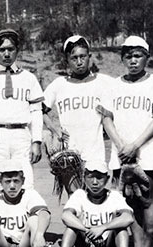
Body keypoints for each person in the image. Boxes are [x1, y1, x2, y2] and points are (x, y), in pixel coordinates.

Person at [108, 36, 153, 247]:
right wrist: (122, 145)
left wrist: (135, 145)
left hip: (147, 149)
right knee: (125, 198)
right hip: (120, 150)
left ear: (146, 57)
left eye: (138, 56)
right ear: (122, 58)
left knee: (145, 199)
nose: (133, 61)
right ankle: (135, 244)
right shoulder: (114, 84)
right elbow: (107, 119)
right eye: (128, 56)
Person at [43, 35, 120, 195]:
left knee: (94, 199)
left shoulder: (103, 81)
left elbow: (126, 95)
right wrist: (55, 131)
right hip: (68, 153)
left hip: (94, 152)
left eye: (82, 56)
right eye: (74, 58)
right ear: (67, 60)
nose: (79, 62)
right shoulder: (59, 84)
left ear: (89, 57)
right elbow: (39, 110)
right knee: (75, 198)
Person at [0, 29, 44, 196]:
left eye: (10, 49)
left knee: (25, 181)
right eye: (1, 50)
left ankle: (23, 219)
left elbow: (36, 111)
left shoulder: (28, 78)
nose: (6, 54)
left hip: (21, 136)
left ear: (17, 50)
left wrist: (37, 141)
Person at [52, 161, 136, 247]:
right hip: (85, 244)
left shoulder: (114, 195)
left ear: (107, 179)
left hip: (108, 245)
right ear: (84, 178)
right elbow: (66, 215)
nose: (95, 182)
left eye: (100, 178)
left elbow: (128, 218)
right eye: (90, 177)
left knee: (121, 229)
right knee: (71, 228)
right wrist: (86, 230)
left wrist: (103, 228)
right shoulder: (79, 194)